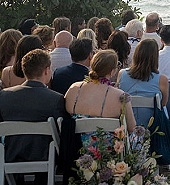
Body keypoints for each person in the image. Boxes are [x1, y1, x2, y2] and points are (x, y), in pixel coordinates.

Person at [0, 49, 69, 185]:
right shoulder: (55, 99)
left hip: (11, 154)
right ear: (46, 70)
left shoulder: (4, 96)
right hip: (44, 155)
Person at [64, 49, 136, 136]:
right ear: (112, 71)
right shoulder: (120, 96)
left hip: (73, 145)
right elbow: (131, 127)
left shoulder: (74, 88)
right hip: (108, 148)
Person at [117, 39, 169, 127]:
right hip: (152, 125)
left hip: (127, 123)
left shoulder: (122, 74)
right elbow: (163, 103)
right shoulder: (162, 79)